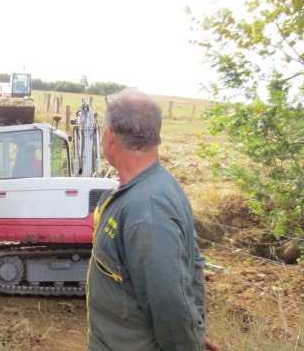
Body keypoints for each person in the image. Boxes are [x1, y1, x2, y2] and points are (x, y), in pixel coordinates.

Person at [87, 89, 221, 351]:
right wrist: (193, 332)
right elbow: (186, 273)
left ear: (110, 135)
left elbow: (170, 301)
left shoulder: (147, 212)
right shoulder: (152, 184)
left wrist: (187, 342)